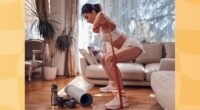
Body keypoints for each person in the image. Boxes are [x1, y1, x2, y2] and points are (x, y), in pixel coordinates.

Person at [81, 3, 145, 109]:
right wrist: (96, 26)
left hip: (132, 46)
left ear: (93, 12)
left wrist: (95, 25)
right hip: (124, 48)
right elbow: (99, 30)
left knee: (110, 59)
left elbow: (100, 14)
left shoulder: (101, 16)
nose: (87, 20)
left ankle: (122, 99)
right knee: (103, 58)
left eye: (87, 17)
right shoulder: (101, 25)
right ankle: (112, 84)